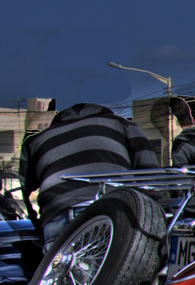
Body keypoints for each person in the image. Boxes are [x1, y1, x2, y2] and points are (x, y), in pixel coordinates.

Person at [19, 102, 158, 252]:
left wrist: (40, 226)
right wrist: (156, 218)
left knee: (64, 273)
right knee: (121, 271)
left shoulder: (37, 140)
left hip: (57, 216)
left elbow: (24, 193)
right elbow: (150, 176)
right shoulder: (121, 125)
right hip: (111, 209)